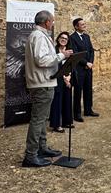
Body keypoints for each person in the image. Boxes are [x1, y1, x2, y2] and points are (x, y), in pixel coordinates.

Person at [23, 10, 72, 167]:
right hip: (41, 83)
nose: (53, 24)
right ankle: (30, 155)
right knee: (38, 119)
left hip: (45, 82)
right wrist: (62, 55)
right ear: (46, 22)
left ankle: (41, 148)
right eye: (52, 21)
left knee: (43, 118)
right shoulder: (38, 37)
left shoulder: (40, 36)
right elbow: (42, 61)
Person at [68, 17, 99, 121]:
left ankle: (88, 110)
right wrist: (85, 63)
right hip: (79, 69)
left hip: (88, 68)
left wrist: (90, 63)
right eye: (82, 24)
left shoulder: (87, 36)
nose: (84, 26)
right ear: (76, 26)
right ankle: (76, 114)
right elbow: (75, 53)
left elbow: (91, 50)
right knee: (78, 91)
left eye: (84, 24)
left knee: (88, 89)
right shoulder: (72, 38)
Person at [49, 31, 74, 133]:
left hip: (67, 78)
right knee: (57, 101)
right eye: (62, 38)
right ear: (58, 39)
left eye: (66, 38)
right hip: (57, 79)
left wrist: (69, 77)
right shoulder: (53, 50)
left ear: (68, 41)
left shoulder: (69, 51)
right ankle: (56, 125)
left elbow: (72, 65)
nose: (63, 40)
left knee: (67, 99)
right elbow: (53, 64)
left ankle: (66, 122)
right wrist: (64, 78)